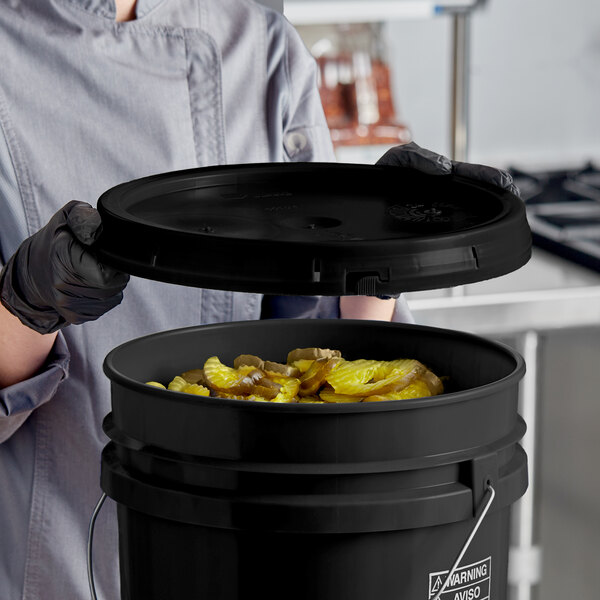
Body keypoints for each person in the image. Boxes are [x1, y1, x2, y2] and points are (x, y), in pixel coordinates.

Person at [0, 1, 519, 598]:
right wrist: (26, 304)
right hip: (61, 554)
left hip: (264, 557)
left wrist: (378, 256)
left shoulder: (259, 44)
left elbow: (320, 365)